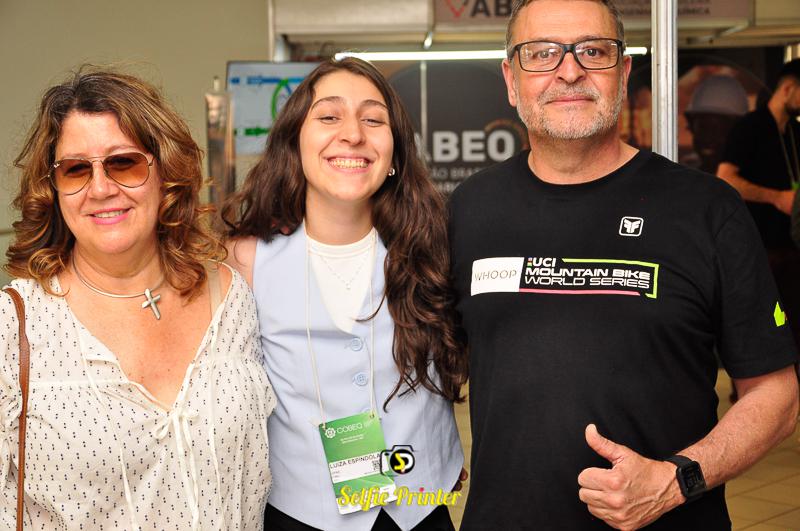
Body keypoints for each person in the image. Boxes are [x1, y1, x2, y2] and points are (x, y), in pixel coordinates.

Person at [448, 1, 800, 529]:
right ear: (510, 80)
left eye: (593, 51)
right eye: (541, 53)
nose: (570, 71)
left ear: (624, 70)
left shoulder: (706, 209)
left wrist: (675, 480)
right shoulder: (469, 209)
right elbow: (421, 363)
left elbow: (777, 394)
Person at [1, 68, 276, 530]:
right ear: (53, 188)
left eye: (124, 163)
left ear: (165, 171)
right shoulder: (14, 328)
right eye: (75, 169)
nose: (101, 188)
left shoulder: (231, 299)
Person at [222, 57, 467, 531]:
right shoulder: (245, 260)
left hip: (419, 508)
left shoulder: (435, 248)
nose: (352, 134)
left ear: (395, 153)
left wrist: (442, 458)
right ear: (295, 140)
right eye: (329, 116)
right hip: (299, 513)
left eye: (373, 120)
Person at [718, 58, 800, 348]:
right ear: (788, 89)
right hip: (760, 248)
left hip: (792, 246)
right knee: (762, 329)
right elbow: (726, 179)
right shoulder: (751, 127)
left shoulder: (794, 132)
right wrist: (777, 198)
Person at [684, 75, 748, 174]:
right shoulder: (683, 175)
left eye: (718, 129)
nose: (708, 138)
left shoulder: (755, 178)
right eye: (702, 127)